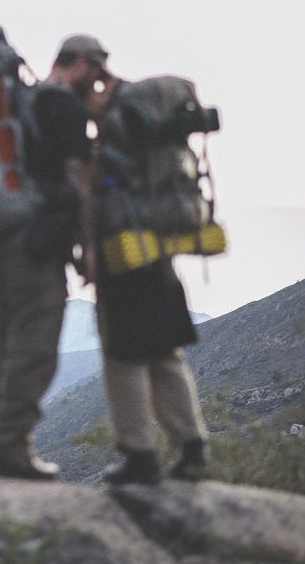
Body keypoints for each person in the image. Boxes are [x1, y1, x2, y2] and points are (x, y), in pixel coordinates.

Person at [0, 34, 107, 480]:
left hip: (3, 240)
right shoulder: (63, 108)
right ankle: (10, 448)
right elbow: (77, 179)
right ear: (81, 62)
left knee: (11, 340)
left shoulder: (22, 102)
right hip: (38, 243)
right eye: (98, 70)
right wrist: (88, 248)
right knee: (37, 348)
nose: (100, 81)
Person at [85, 68, 211, 485]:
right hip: (158, 251)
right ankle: (193, 448)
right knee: (165, 352)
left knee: (124, 356)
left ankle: (139, 454)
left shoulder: (123, 125)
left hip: (125, 253)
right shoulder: (153, 125)